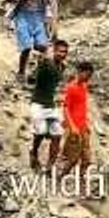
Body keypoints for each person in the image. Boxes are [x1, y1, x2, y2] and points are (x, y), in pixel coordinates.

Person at [4, 0, 54, 82]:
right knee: (26, 46)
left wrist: (48, 17)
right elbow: (8, 0)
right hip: (22, 15)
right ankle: (21, 72)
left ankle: (37, 72)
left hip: (38, 15)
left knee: (41, 46)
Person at [29, 39, 69, 172]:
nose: (63, 54)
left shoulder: (62, 67)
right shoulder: (46, 63)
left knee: (57, 135)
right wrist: (43, 56)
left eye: (65, 52)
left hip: (51, 105)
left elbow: (57, 83)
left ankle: (50, 165)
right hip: (38, 103)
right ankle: (33, 153)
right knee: (40, 132)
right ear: (54, 51)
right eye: (60, 51)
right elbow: (41, 61)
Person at [58, 60, 95, 196]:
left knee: (86, 157)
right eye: (87, 75)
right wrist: (72, 126)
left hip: (83, 127)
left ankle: (81, 180)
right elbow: (66, 108)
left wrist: (87, 123)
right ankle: (62, 176)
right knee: (73, 157)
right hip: (75, 129)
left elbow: (82, 107)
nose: (88, 78)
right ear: (80, 72)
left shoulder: (84, 86)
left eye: (90, 76)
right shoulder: (71, 87)